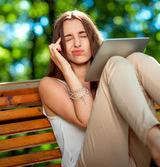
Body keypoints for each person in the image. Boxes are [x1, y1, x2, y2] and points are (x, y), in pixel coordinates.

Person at [38, 10, 160, 167]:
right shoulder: (49, 85)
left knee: (135, 59)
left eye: (83, 36)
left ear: (92, 40)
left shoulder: (110, 76)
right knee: (115, 62)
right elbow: (88, 120)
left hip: (132, 160)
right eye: (68, 38)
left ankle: (155, 140)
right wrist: (66, 69)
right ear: (59, 46)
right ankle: (153, 136)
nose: (77, 43)